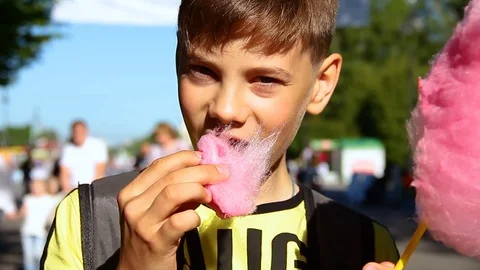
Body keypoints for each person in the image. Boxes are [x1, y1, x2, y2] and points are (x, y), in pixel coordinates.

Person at [42, 0, 400, 269]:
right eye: (202, 71)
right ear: (177, 62)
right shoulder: (93, 217)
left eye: (265, 80)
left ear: (321, 86)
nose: (225, 109)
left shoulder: (361, 244)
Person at [16, 167, 57, 270]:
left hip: (41, 232)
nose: (35, 188)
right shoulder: (28, 198)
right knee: (28, 257)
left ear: (44, 187)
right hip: (27, 231)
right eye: (33, 186)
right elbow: (22, 213)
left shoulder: (49, 199)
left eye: (38, 186)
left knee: (39, 256)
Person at [59, 120, 108, 193]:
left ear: (86, 131)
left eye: (80, 131)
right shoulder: (68, 149)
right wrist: (68, 191)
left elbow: (100, 171)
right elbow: (64, 174)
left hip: (94, 190)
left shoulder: (97, 145)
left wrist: (91, 191)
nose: (78, 134)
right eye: (75, 132)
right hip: (73, 190)